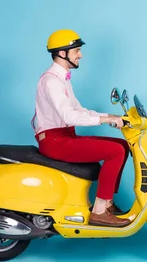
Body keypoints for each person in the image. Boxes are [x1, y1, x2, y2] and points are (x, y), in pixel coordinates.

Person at [31, 29, 135, 228]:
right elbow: (69, 116)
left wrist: (110, 116)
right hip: (54, 141)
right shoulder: (51, 81)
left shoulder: (62, 79)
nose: (81, 55)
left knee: (122, 144)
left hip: (64, 136)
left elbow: (78, 109)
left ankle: (107, 203)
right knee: (115, 151)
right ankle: (99, 211)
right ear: (62, 53)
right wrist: (103, 121)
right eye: (76, 51)